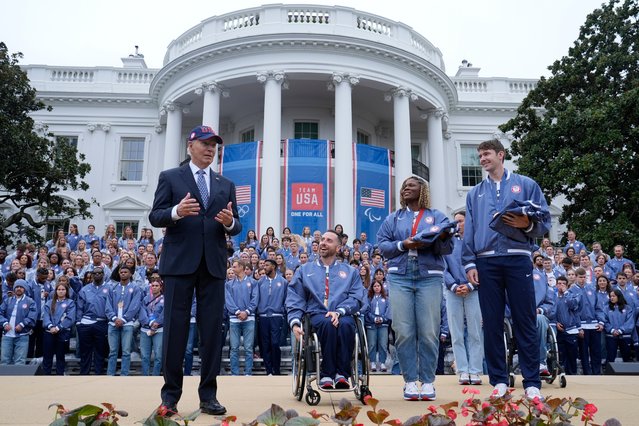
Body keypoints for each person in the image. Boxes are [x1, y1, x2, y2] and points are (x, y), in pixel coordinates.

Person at [149, 125, 241, 417]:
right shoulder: (170, 177)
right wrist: (176, 211)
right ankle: (170, 397)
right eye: (204, 144)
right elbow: (156, 215)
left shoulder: (225, 184)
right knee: (175, 331)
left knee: (212, 333)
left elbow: (236, 224)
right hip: (179, 265)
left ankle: (209, 395)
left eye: (214, 145)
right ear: (190, 146)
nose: (210, 149)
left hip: (212, 266)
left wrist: (228, 223)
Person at [461, 139, 550, 401]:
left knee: (525, 319)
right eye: (479, 155)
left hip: (518, 258)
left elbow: (544, 221)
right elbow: (470, 231)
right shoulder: (474, 193)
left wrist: (527, 225)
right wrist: (469, 262)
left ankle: (532, 381)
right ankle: (499, 380)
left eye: (486, 154)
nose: (482, 159)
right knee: (491, 321)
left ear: (501, 155)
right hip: (486, 261)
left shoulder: (526, 184)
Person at [377, 176, 453, 401]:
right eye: (404, 186)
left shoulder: (436, 216)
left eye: (411, 185)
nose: (405, 189)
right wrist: (404, 244)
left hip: (428, 276)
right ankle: (410, 381)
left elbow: (446, 249)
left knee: (429, 331)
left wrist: (444, 237)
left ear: (423, 189)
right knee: (403, 331)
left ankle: (427, 381)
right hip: (400, 276)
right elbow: (383, 245)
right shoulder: (394, 218)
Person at [286, 230, 366, 390]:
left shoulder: (351, 272)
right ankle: (327, 374)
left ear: (338, 248)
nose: (323, 242)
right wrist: (295, 322)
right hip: (317, 314)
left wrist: (340, 311)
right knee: (328, 324)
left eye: (329, 240)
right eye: (322, 239)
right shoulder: (304, 270)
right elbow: (296, 297)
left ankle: (342, 374)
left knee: (345, 326)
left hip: (343, 314)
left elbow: (357, 297)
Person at [443, 211, 483, 386]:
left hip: (473, 290)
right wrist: (453, 286)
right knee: (457, 333)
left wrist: (471, 285)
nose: (457, 224)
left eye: (460, 221)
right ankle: (462, 370)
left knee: (475, 332)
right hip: (453, 292)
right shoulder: (448, 243)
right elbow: (443, 268)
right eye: (455, 221)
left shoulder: (476, 241)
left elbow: (482, 265)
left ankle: (475, 370)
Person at [105, 265, 143, 376]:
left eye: (125, 272)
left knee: (126, 352)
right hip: (113, 323)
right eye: (121, 272)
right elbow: (108, 306)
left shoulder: (135, 288)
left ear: (130, 274)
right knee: (112, 352)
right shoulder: (113, 288)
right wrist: (114, 318)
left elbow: (135, 306)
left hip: (127, 324)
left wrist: (124, 319)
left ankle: (124, 375)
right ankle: (110, 375)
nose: (123, 274)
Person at [225, 259, 258, 376]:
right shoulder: (228, 284)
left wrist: (247, 312)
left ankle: (248, 373)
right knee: (234, 348)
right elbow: (228, 300)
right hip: (234, 319)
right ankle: (235, 373)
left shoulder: (253, 282)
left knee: (248, 348)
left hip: (249, 318)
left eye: (234, 267)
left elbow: (255, 299)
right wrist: (238, 311)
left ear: (241, 268)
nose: (232, 269)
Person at [256, 259, 288, 376]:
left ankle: (277, 369)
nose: (264, 267)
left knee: (275, 343)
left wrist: (282, 310)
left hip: (277, 316)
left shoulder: (283, 282)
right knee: (265, 344)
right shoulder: (260, 282)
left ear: (273, 267)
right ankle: (269, 370)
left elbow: (286, 298)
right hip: (263, 317)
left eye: (267, 265)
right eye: (264, 265)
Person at [42, 279, 76, 375]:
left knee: (60, 356)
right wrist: (51, 327)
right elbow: (46, 317)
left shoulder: (70, 303)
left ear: (66, 291)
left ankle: (59, 376)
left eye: (63, 289)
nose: (61, 291)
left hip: (62, 333)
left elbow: (70, 318)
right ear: (56, 291)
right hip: (49, 333)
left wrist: (58, 328)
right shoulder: (49, 303)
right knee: (47, 356)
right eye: (59, 289)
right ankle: (46, 376)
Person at [0, 279, 37, 365]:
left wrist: (22, 324)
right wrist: (4, 323)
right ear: (14, 288)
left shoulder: (30, 302)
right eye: (17, 287)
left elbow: (32, 317)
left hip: (22, 336)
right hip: (7, 335)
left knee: (20, 362)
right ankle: (4, 379)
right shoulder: (7, 300)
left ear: (25, 289)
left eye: (21, 287)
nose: (19, 288)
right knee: (4, 361)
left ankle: (18, 379)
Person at [552, 276, 581, 375]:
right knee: (560, 355)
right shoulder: (552, 297)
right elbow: (550, 312)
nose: (561, 286)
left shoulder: (572, 295)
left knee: (572, 355)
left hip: (571, 330)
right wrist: (555, 323)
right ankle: (561, 374)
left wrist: (566, 293)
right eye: (559, 283)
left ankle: (573, 374)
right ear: (556, 285)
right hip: (558, 331)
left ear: (567, 285)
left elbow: (572, 305)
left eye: (563, 284)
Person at [140, 273, 165, 376]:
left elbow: (165, 313)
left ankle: (155, 376)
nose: (154, 287)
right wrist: (149, 322)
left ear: (160, 287)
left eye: (156, 285)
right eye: (153, 285)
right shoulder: (146, 298)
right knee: (145, 356)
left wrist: (157, 322)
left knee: (158, 356)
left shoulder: (165, 299)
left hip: (159, 329)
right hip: (145, 329)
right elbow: (142, 311)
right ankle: (145, 375)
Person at [365, 281, 391, 372]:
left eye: (378, 286)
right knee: (372, 344)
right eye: (374, 286)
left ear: (381, 287)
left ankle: (382, 362)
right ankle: (372, 362)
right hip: (371, 324)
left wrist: (383, 319)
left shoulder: (386, 298)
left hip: (383, 324)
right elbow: (367, 310)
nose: (376, 287)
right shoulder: (369, 298)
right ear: (372, 288)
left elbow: (388, 310)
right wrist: (374, 319)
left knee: (383, 344)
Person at [603, 288, 634, 362]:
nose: (611, 298)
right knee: (610, 357)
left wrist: (620, 330)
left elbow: (629, 322)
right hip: (611, 336)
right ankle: (608, 372)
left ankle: (627, 373)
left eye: (613, 296)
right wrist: (612, 330)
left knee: (626, 357)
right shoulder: (606, 308)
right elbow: (605, 321)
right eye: (610, 296)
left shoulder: (628, 308)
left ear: (619, 296)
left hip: (625, 336)